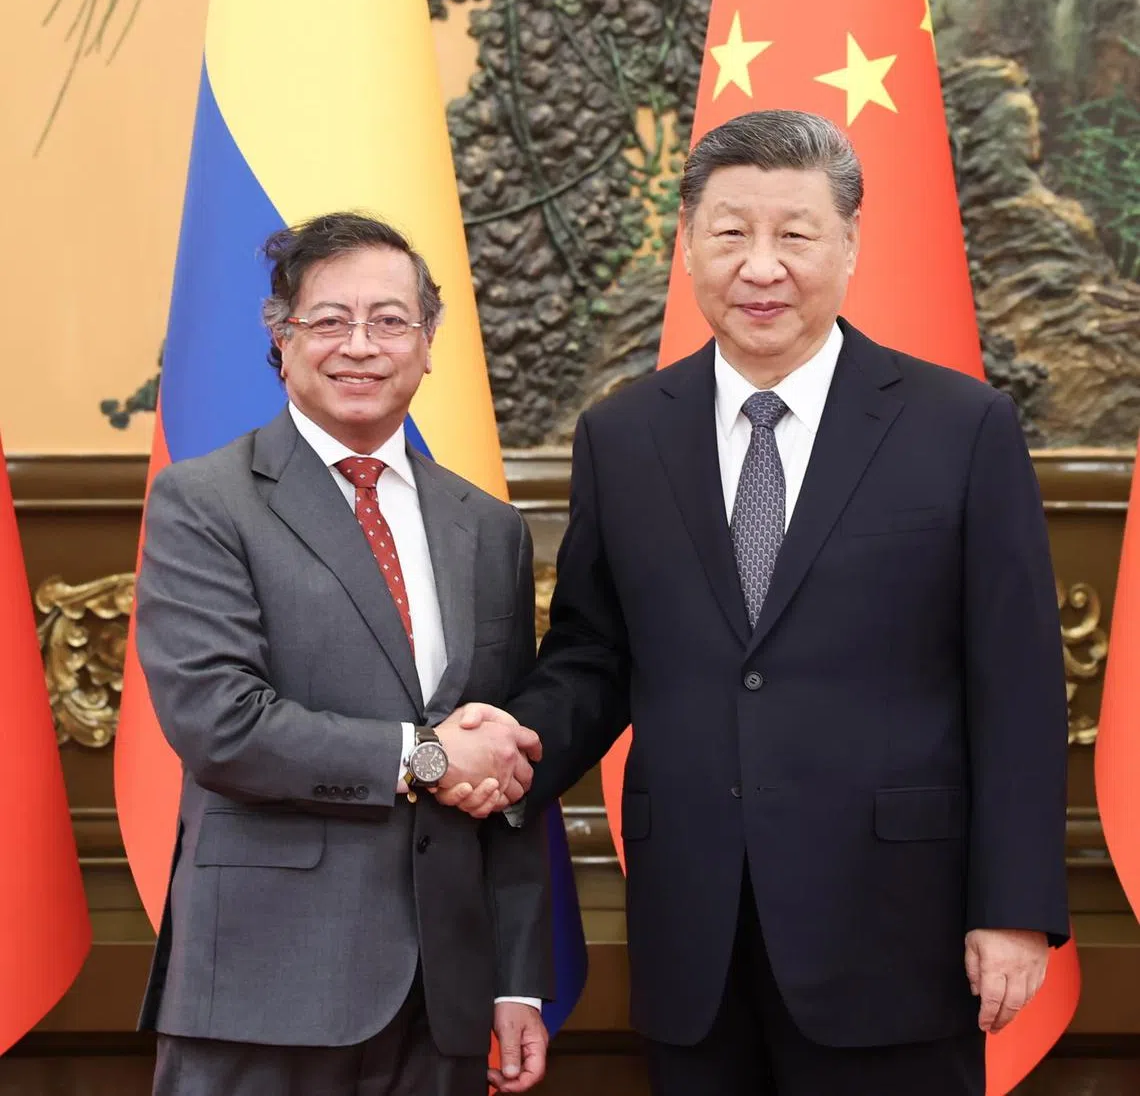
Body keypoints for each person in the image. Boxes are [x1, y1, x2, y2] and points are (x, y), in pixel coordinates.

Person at [445, 110, 1070, 1094]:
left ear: (852, 245)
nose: (762, 266)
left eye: (796, 233)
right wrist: (511, 739)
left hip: (896, 926)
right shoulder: (624, 435)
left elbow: (1020, 686)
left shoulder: (961, 428)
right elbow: (596, 657)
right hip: (695, 925)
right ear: (688, 244)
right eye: (732, 232)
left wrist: (1016, 907)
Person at [135, 212, 552, 1096]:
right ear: (282, 341)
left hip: (442, 999)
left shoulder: (490, 529)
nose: (360, 345)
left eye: (390, 320)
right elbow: (220, 724)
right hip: (265, 984)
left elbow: (507, 764)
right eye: (328, 321)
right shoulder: (205, 502)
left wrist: (516, 977)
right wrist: (427, 756)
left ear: (430, 342)